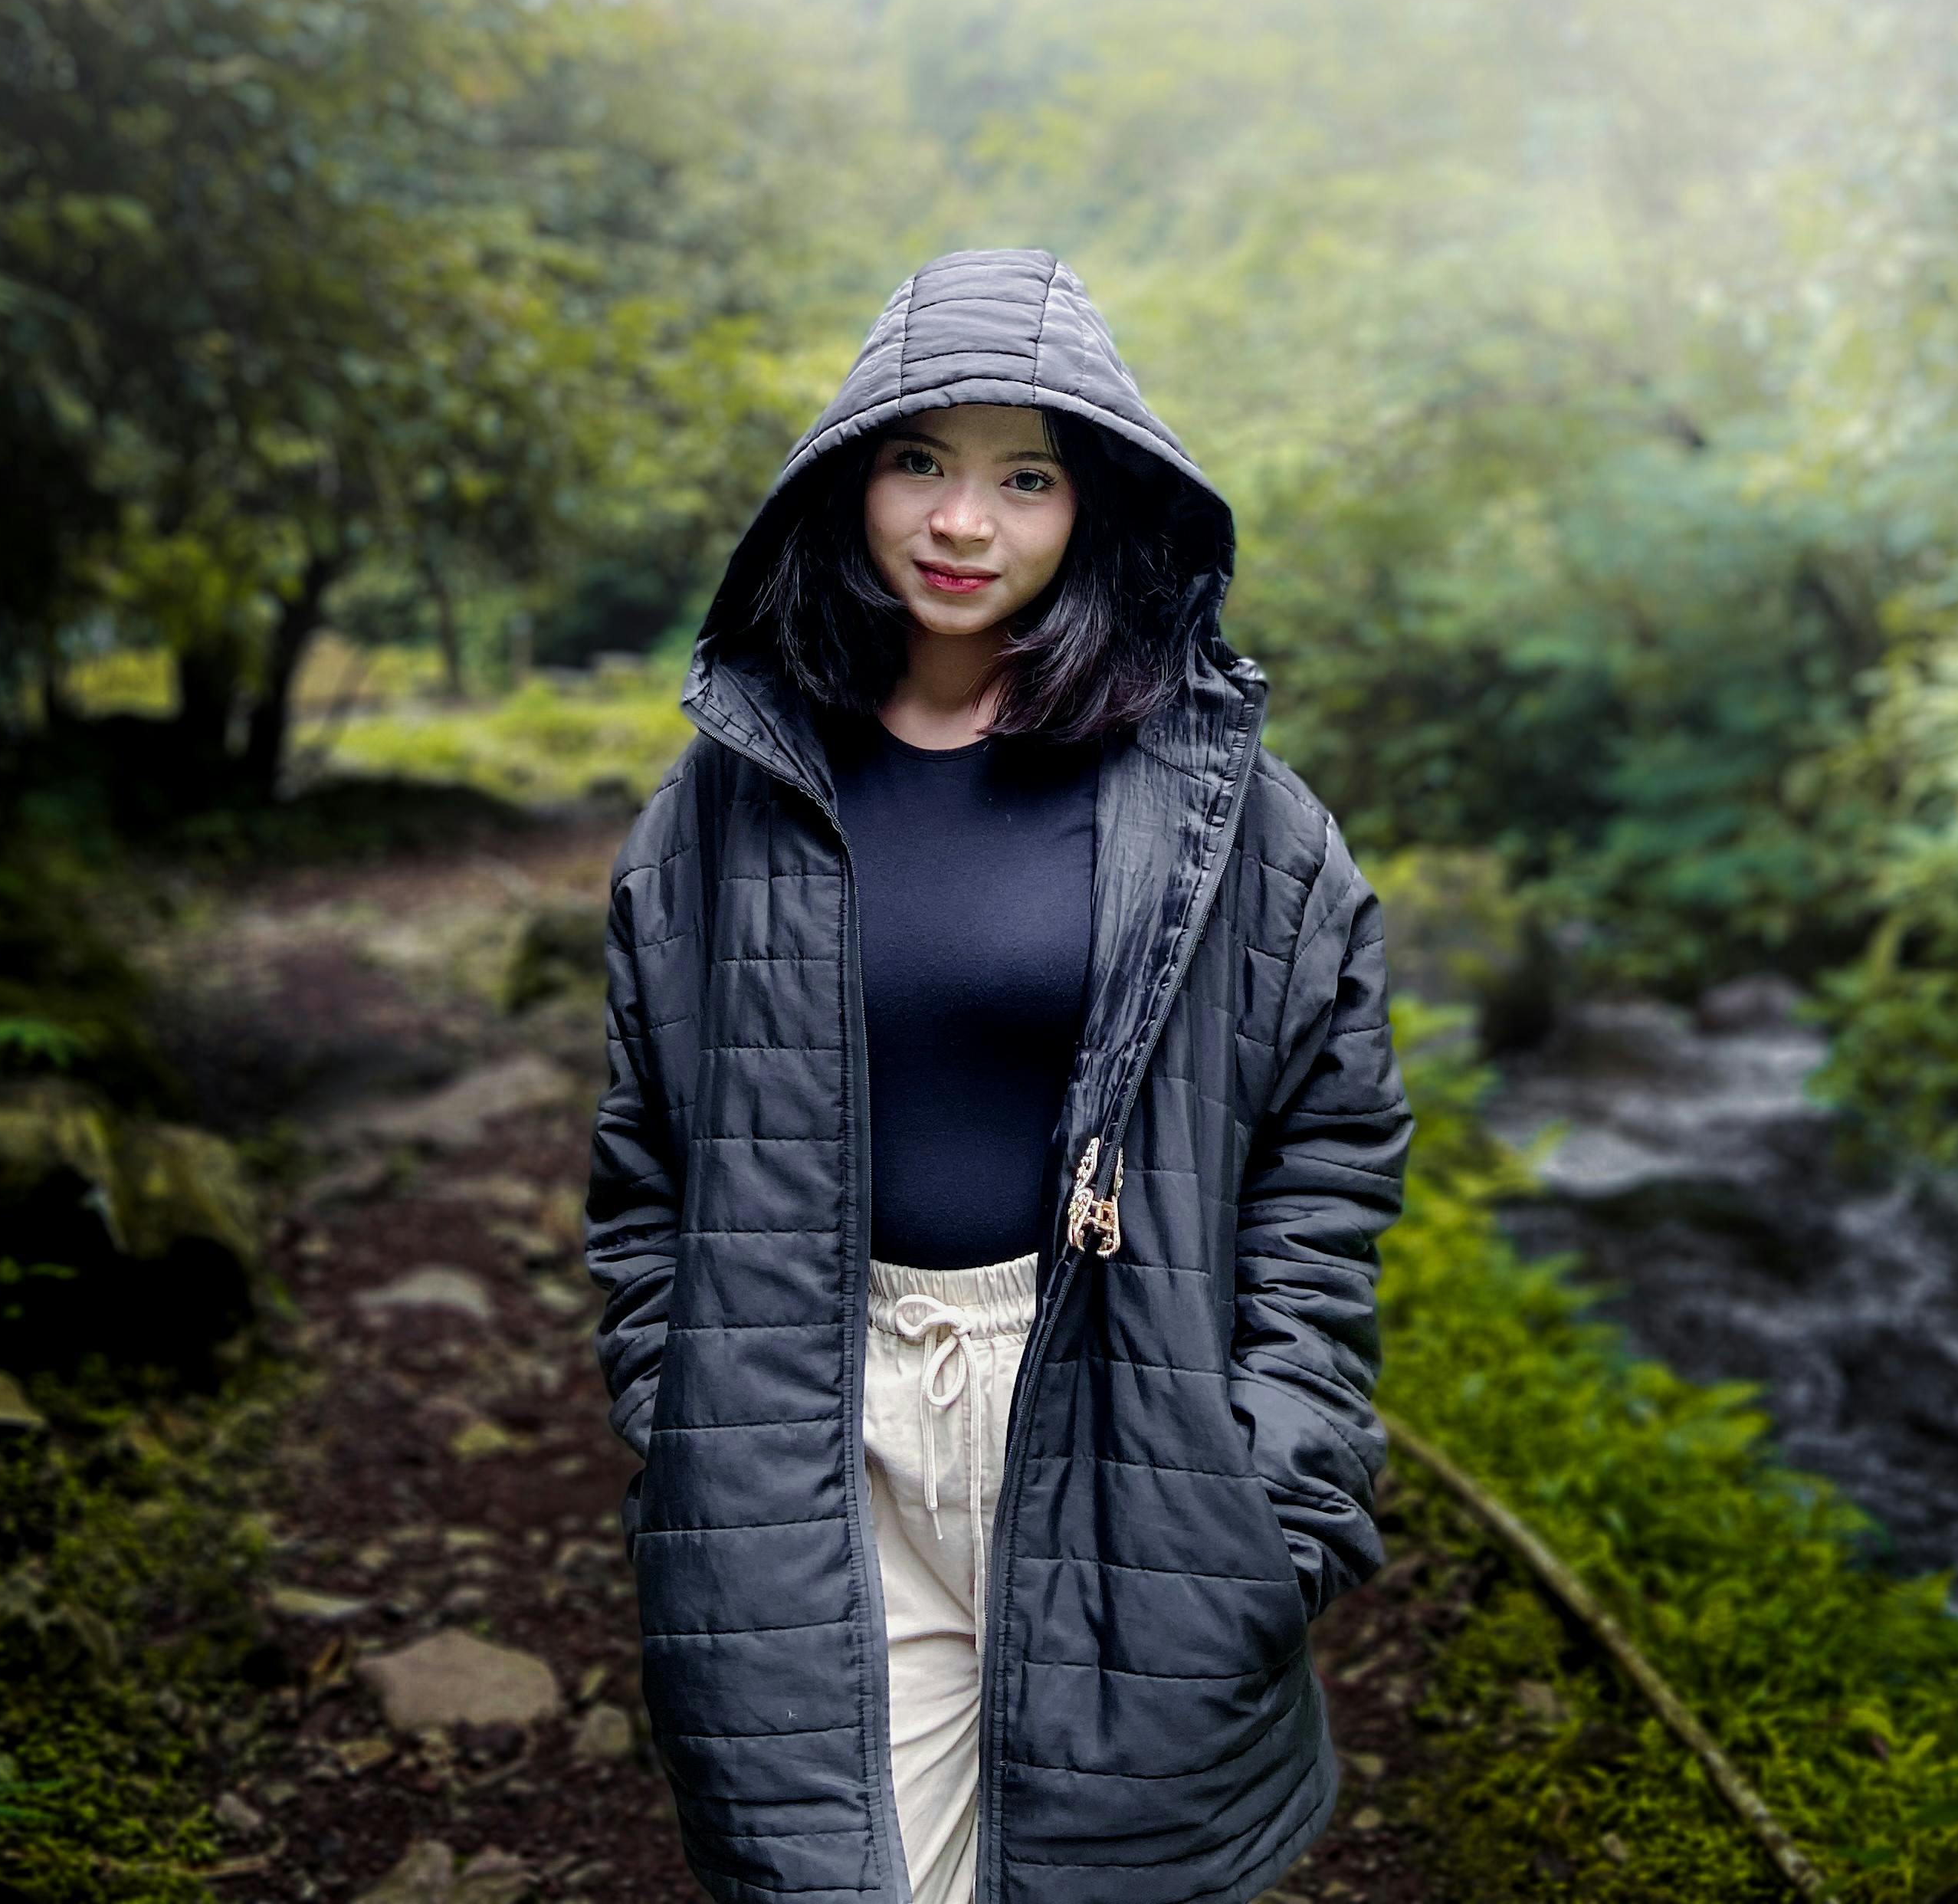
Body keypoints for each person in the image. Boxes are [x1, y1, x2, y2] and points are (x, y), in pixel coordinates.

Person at [585, 248, 1412, 1904]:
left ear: (1094, 508)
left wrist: (1278, 1469)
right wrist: (684, 1420)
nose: (964, 525)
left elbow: (1332, 1134)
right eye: (922, 462)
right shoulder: (729, 797)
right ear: (849, 481)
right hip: (813, 1430)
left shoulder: (1220, 805)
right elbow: (645, 1163)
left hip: (1124, 1416)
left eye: (1024, 478)